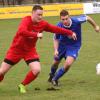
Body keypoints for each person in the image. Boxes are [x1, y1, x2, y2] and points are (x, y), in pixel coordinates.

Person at [0, 5, 77, 93]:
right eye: (38, 15)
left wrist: (70, 32)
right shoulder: (26, 20)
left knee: (36, 70)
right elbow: (22, 31)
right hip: (16, 50)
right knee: (1, 72)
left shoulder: (42, 24)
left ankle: (22, 85)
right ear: (32, 13)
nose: (40, 17)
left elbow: (55, 29)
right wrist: (36, 34)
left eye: (41, 15)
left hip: (29, 50)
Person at [48, 9, 100, 86]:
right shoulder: (59, 26)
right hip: (62, 45)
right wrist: (56, 50)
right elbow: (56, 39)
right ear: (60, 19)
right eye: (63, 19)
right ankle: (52, 74)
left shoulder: (76, 20)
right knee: (55, 63)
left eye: (66, 18)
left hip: (74, 46)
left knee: (68, 64)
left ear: (69, 17)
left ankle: (55, 79)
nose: (65, 21)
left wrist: (95, 26)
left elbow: (87, 17)